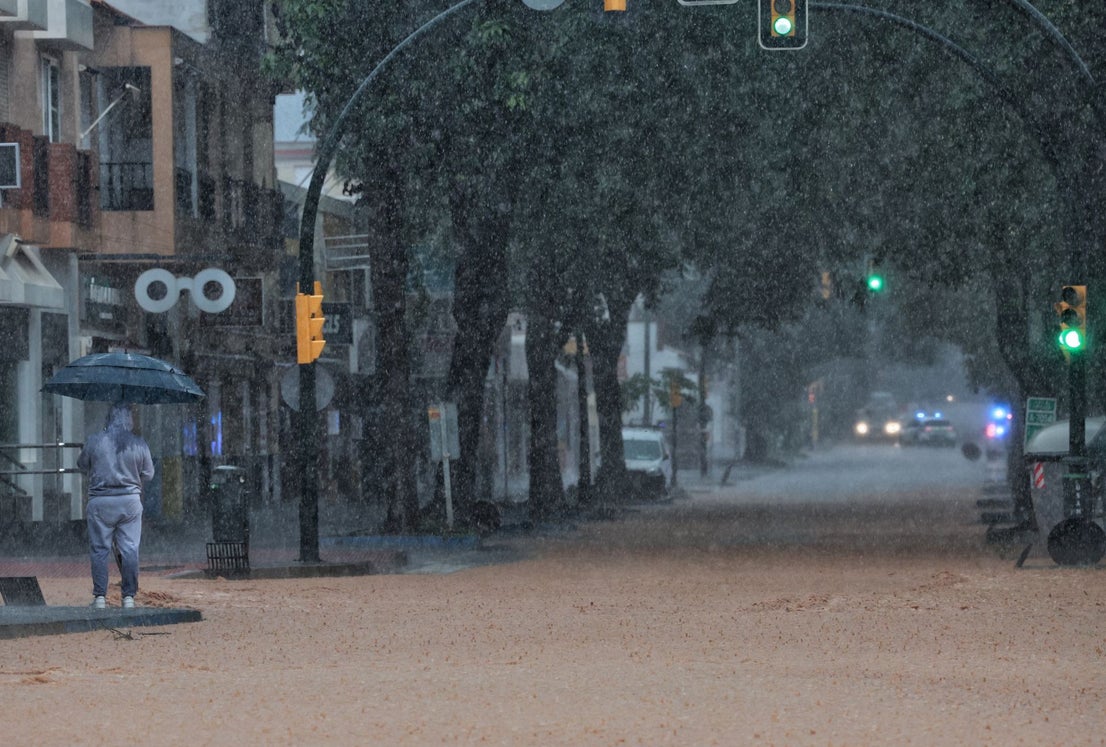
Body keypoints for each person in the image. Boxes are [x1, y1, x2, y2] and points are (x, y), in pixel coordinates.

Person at [77, 402, 154, 609]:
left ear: (109, 418)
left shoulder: (95, 440)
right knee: (129, 548)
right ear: (129, 419)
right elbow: (149, 473)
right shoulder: (139, 443)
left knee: (100, 549)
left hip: (100, 502)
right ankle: (128, 596)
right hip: (129, 502)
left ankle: (100, 596)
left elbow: (82, 464)